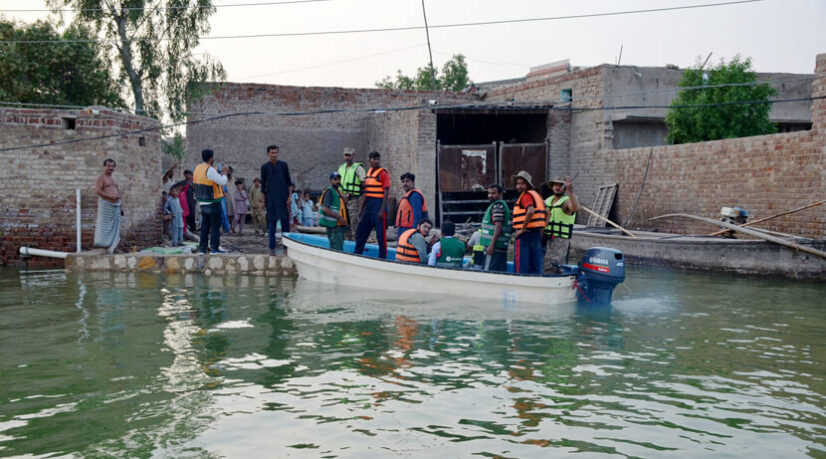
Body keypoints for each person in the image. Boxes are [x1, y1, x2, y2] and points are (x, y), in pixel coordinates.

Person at [354, 151, 390, 259]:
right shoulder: (369, 173)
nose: (377, 161)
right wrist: (361, 209)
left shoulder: (383, 173)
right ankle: (357, 253)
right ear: (370, 160)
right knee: (361, 231)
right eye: (374, 159)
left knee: (380, 236)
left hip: (379, 205)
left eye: (378, 159)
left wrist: (381, 210)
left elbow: (386, 192)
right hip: (369, 206)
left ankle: (382, 258)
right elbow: (366, 193)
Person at [194, 149, 229, 253]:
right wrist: (224, 174)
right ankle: (214, 248)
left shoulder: (198, 168)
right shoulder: (209, 169)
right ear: (211, 158)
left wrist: (216, 172)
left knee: (205, 226)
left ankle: (203, 248)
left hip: (202, 201)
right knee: (215, 226)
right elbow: (222, 182)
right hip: (212, 201)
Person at [511, 171, 546, 275]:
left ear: (527, 184)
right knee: (535, 266)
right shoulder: (537, 195)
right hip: (536, 234)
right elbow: (547, 213)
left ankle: (519, 284)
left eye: (522, 183)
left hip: (525, 235)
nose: (519, 186)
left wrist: (522, 229)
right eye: (518, 183)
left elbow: (530, 211)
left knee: (521, 268)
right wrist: (542, 229)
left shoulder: (526, 195)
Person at [261, 144, 294, 254]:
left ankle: (286, 248)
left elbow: (289, 182)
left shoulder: (283, 165)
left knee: (285, 226)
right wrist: (263, 201)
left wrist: (289, 197)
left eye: (276, 153)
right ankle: (272, 249)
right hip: (271, 201)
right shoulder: (264, 167)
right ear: (268, 154)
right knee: (272, 226)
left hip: (283, 200)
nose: (274, 155)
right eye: (272, 153)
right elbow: (263, 187)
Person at [543, 176, 580, 273]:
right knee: (545, 262)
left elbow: (575, 208)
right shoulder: (547, 201)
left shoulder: (566, 202)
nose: (557, 187)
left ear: (564, 188)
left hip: (560, 239)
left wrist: (570, 191)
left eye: (560, 185)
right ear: (552, 187)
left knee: (551, 264)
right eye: (555, 185)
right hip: (546, 237)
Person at [480, 184, 512, 272]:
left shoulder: (497, 206)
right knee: (500, 273)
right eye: (489, 193)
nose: (490, 195)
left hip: (494, 248)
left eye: (494, 193)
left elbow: (498, 226)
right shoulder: (500, 206)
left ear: (500, 194)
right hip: (500, 248)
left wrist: (491, 245)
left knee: (488, 272)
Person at [93, 158, 122, 253]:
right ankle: (103, 246)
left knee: (115, 228)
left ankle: (113, 247)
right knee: (104, 226)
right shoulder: (101, 178)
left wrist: (120, 204)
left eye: (112, 166)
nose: (111, 168)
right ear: (105, 166)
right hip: (106, 205)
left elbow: (117, 190)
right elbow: (98, 191)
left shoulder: (114, 178)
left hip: (116, 205)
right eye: (108, 166)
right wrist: (110, 196)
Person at [338, 147, 365, 237]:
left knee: (354, 223)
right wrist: (342, 195)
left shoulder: (358, 168)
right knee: (344, 223)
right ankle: (347, 241)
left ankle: (356, 241)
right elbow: (338, 184)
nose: (347, 157)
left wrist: (362, 201)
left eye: (349, 155)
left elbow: (365, 185)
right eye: (346, 155)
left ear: (353, 156)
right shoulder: (341, 168)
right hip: (342, 199)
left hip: (354, 200)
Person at [319, 172, 348, 251]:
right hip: (334, 226)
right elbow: (325, 208)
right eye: (335, 179)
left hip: (339, 225)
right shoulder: (330, 192)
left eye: (339, 179)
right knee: (336, 248)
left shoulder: (338, 193)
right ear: (330, 181)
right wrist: (339, 218)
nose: (337, 181)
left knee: (337, 247)